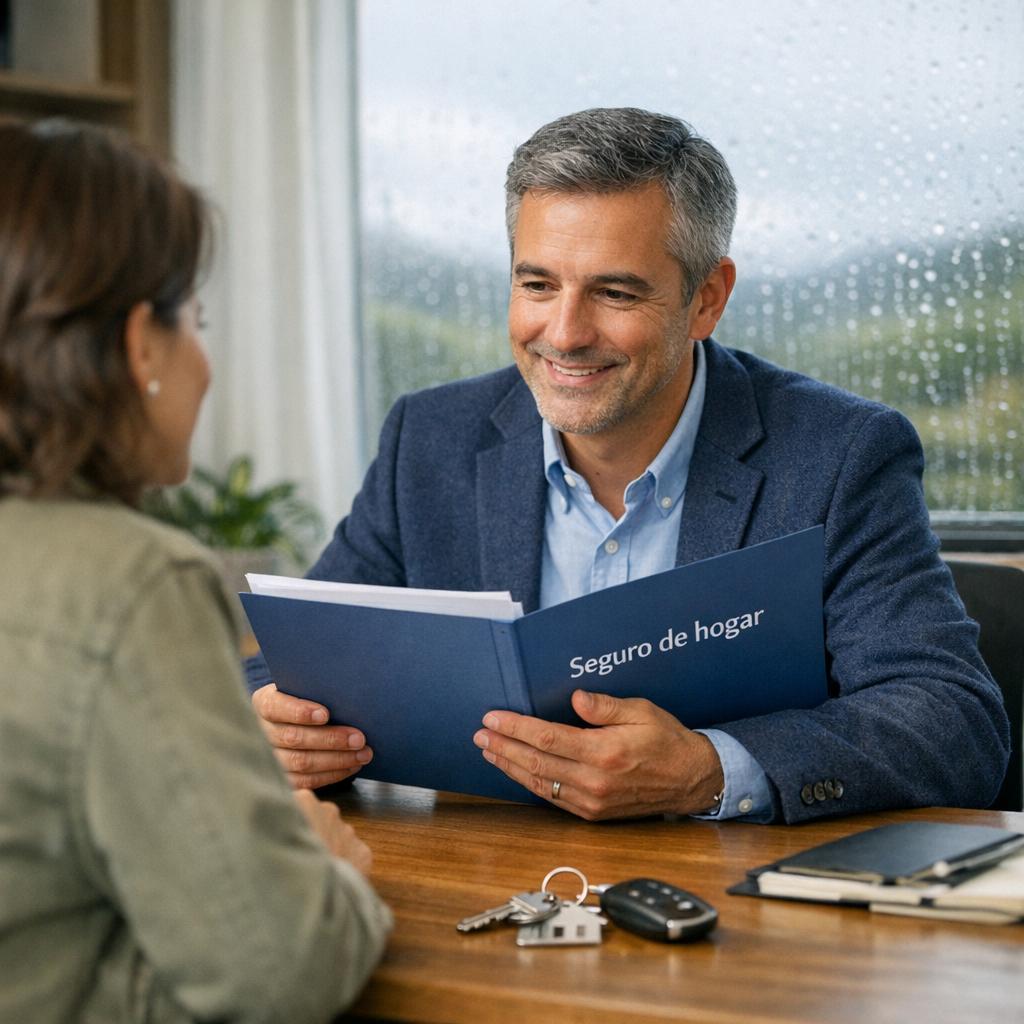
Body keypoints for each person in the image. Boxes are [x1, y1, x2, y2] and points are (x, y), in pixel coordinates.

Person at [250, 107, 1009, 824]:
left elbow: (954, 721)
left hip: (738, 917)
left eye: (615, 292)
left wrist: (710, 770)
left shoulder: (843, 453)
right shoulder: (431, 438)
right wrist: (279, 726)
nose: (566, 333)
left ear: (707, 299)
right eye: (537, 284)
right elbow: (288, 664)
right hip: (485, 882)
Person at [0, 118, 391, 1023]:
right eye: (199, 324)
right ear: (142, 344)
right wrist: (327, 875)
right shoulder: (129, 584)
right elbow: (280, 972)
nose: (206, 366)